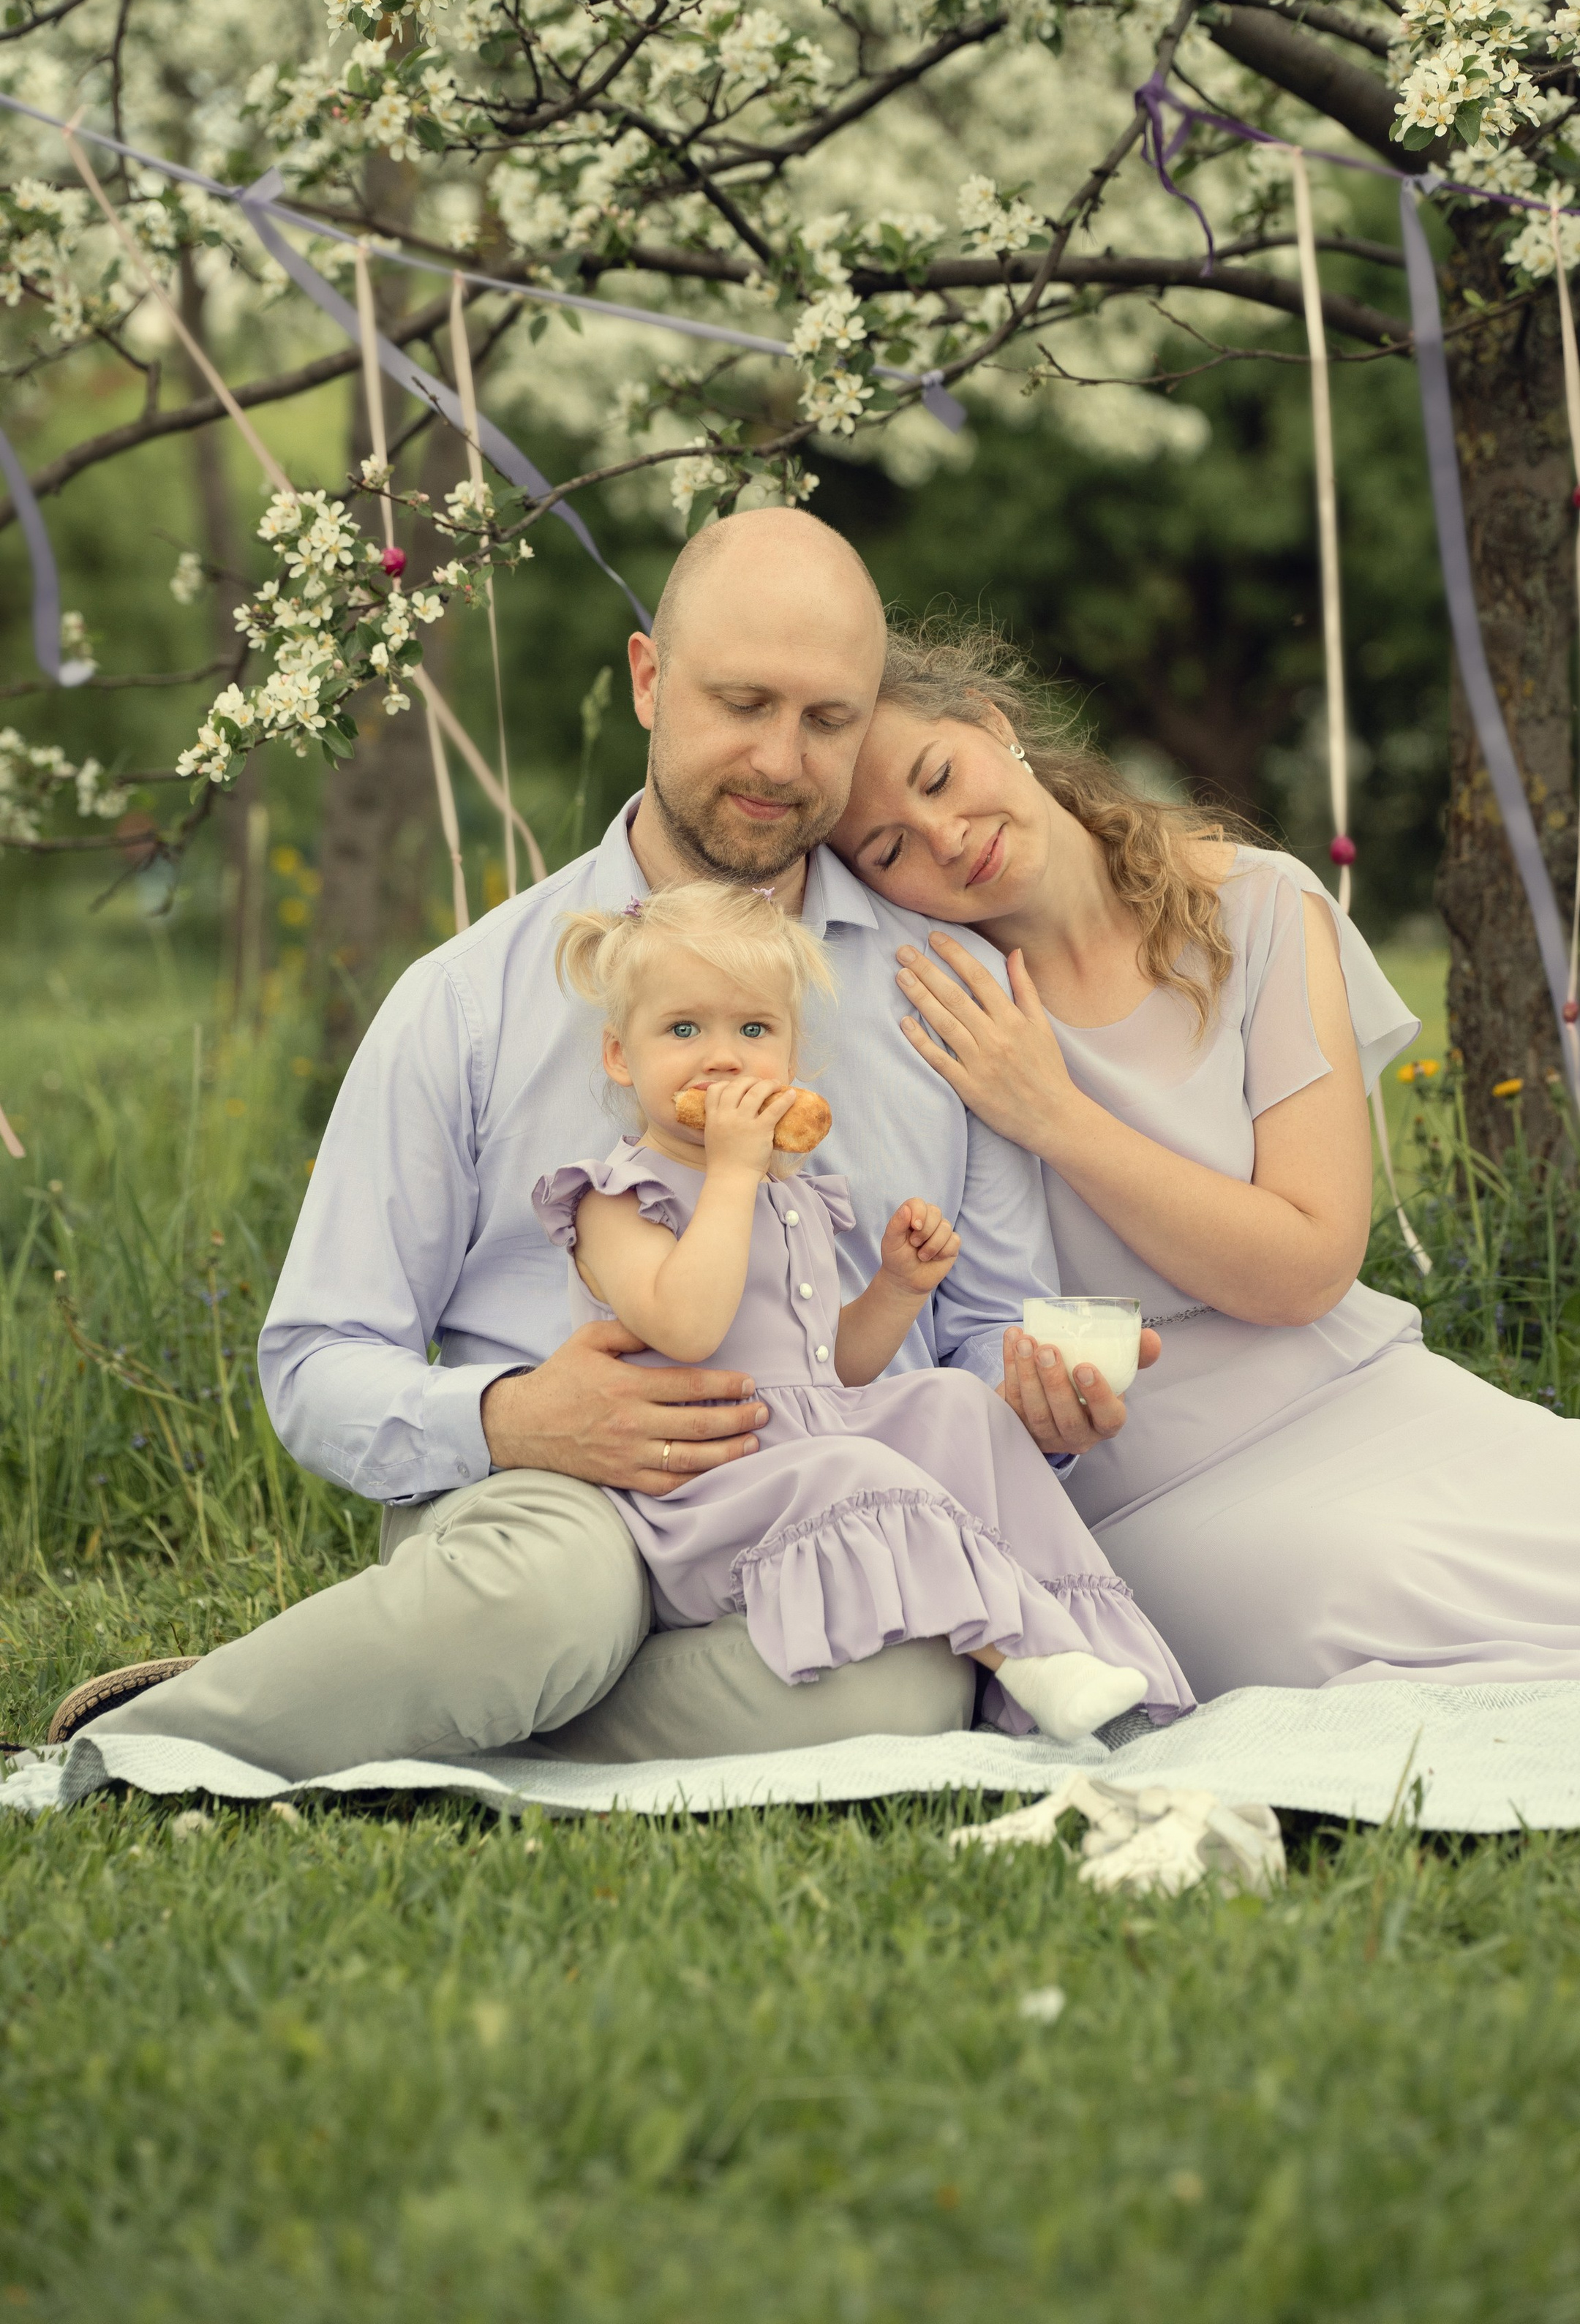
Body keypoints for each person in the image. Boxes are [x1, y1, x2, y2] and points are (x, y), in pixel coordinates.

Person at [54, 516, 1133, 1778]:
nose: (782, 761)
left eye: (830, 721)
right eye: (743, 703)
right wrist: (514, 1419)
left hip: (803, 1518)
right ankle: (146, 1744)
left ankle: (406, 1687)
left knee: (897, 1680)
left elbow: (979, 1337)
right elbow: (314, 1361)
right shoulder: (469, 999)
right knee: (550, 1602)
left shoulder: (938, 1000)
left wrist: (1046, 1405)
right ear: (647, 680)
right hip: (545, 1516)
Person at [830, 621, 1580, 1694]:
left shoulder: (1259, 906)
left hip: (1354, 1391)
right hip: (1149, 1481)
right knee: (1359, 1607)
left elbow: (1309, 1264)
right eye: (888, 848)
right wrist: (1023, 1397)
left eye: (940, 777)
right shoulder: (939, 1006)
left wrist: (1057, 1117)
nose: (943, 835)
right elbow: (959, 1299)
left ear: (995, 725)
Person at [534, 881, 1192, 1739]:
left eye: (754, 1030)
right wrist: (734, 1174)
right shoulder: (616, 1198)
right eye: (683, 1030)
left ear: (794, 1053)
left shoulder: (788, 1190)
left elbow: (828, 1370)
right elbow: (685, 1327)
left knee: (957, 1404)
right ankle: (1029, 1662)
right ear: (622, 1056)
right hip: (700, 1495)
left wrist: (896, 1289)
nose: (722, 1058)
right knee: (861, 1469)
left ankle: (1095, 1653)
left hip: (800, 1455)